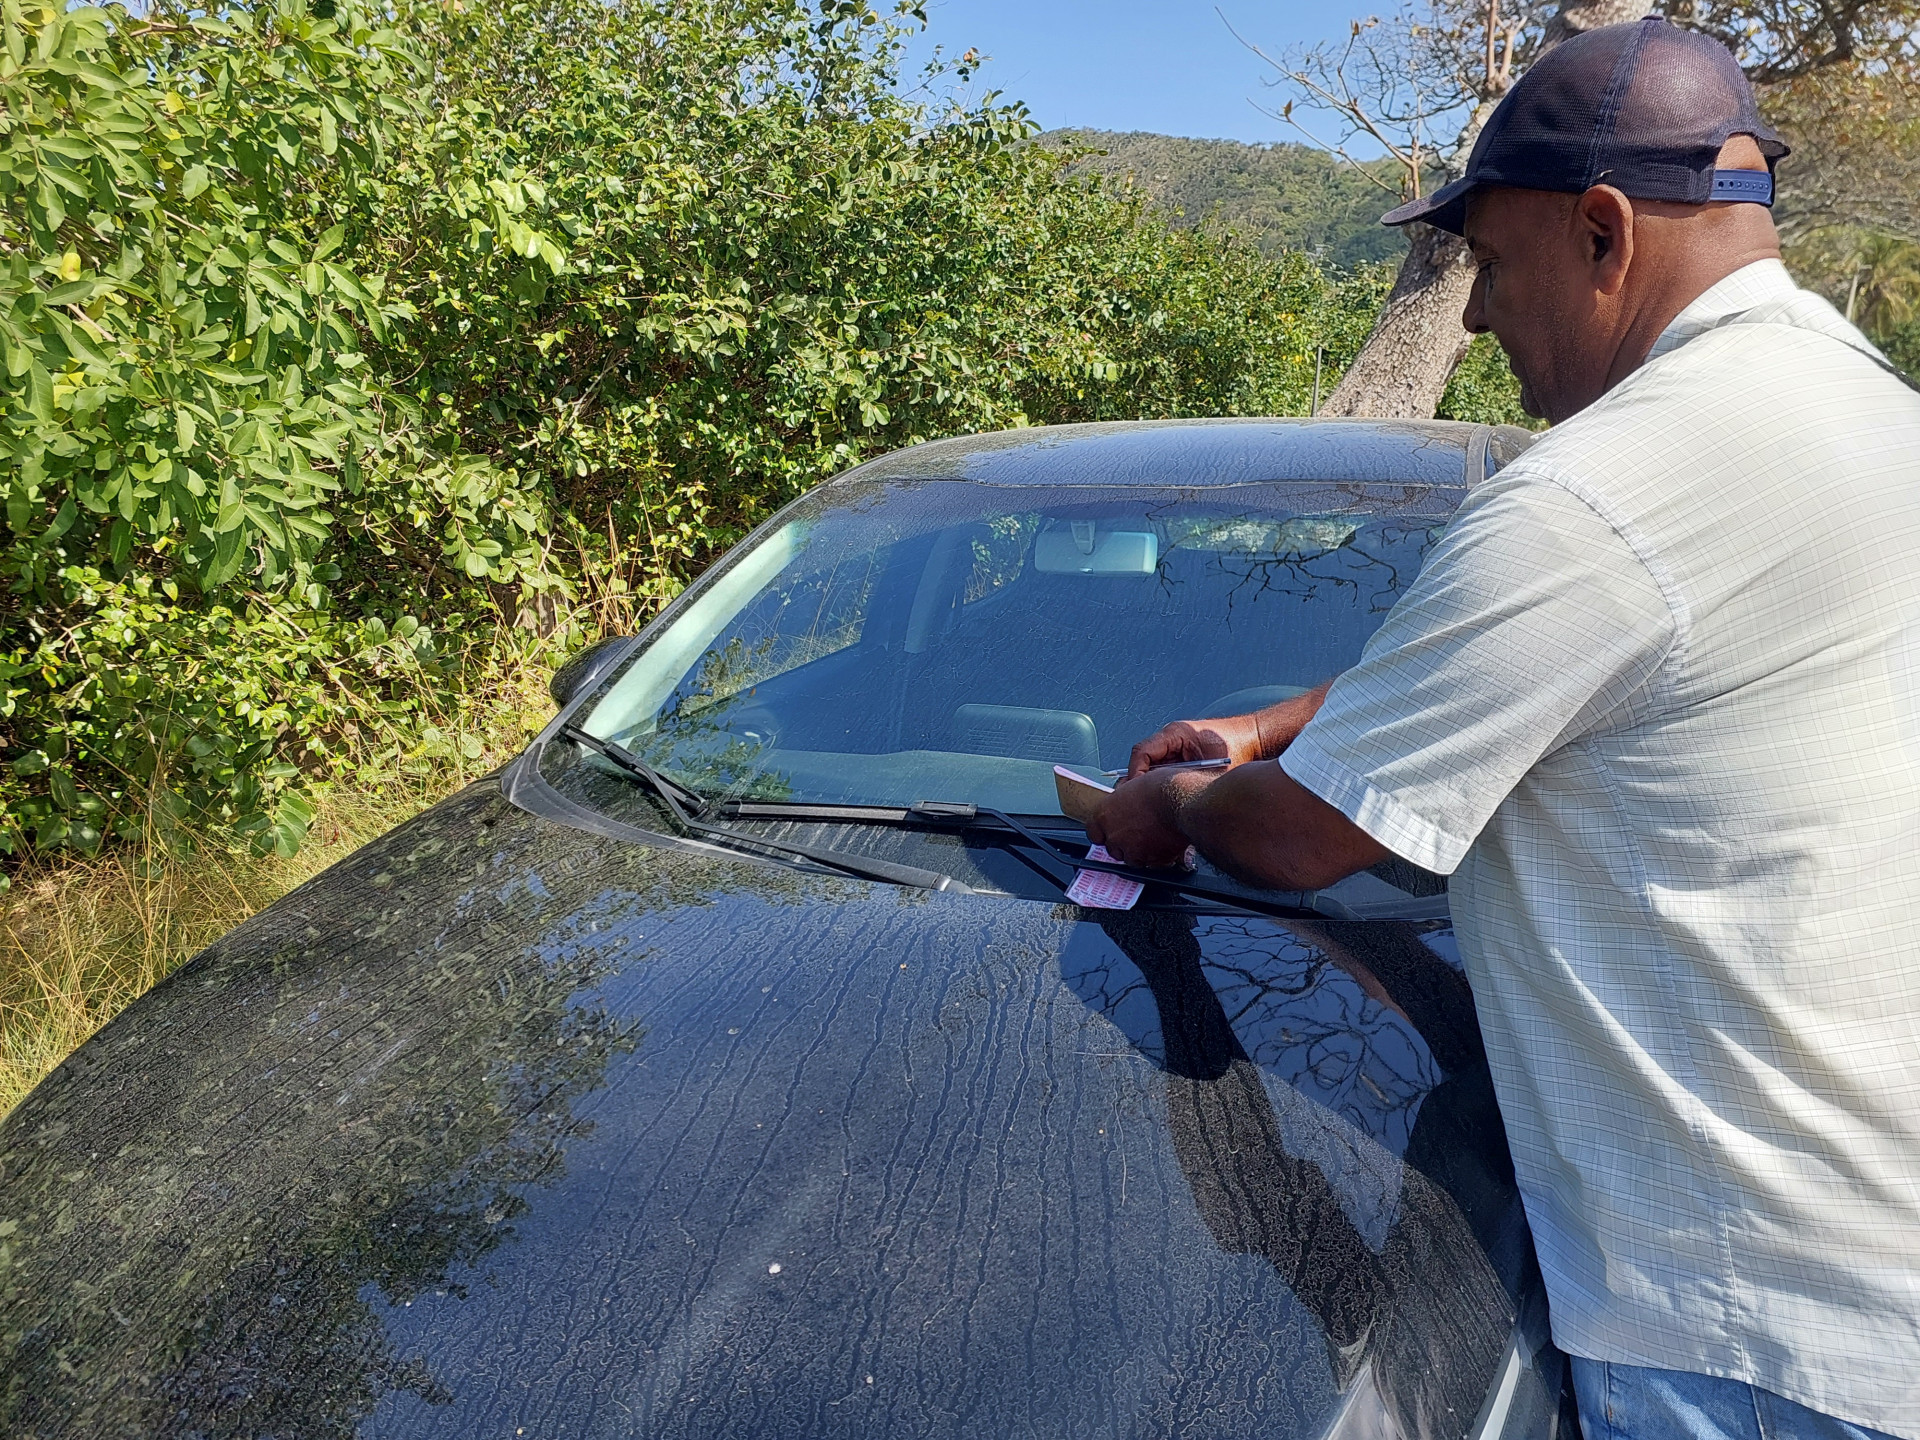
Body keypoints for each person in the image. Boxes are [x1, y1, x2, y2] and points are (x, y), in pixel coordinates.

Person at [1086, 18, 1920, 1440]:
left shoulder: (1599, 493)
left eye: (1488, 262)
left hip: (1741, 1322)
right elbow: (1608, 661)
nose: (1472, 319)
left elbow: (1297, 840)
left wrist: (1163, 809)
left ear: (1602, 232)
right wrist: (1283, 716)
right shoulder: (1867, 417)